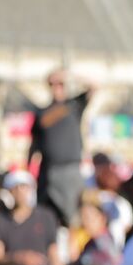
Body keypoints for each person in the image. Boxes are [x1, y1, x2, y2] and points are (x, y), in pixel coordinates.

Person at [30, 68, 92, 227]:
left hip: (70, 169)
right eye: (53, 84)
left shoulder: (74, 105)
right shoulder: (42, 112)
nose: (57, 87)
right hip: (48, 170)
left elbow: (94, 87)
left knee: (73, 217)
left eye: (60, 84)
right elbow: (34, 143)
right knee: (46, 215)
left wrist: (71, 75)